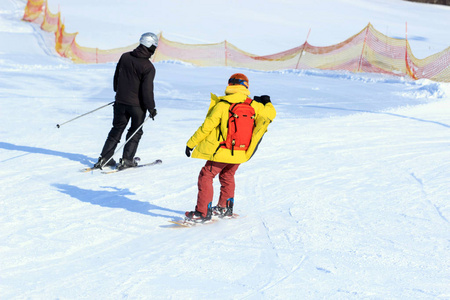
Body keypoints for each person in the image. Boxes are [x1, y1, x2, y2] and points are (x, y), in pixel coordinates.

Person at [185, 73, 276, 222]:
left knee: (206, 175)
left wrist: (191, 144)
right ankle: (224, 208)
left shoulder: (223, 105)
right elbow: (271, 114)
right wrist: (267, 102)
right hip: (241, 151)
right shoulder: (254, 105)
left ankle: (202, 213)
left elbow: (206, 127)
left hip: (223, 150)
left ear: (230, 85)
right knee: (227, 175)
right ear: (246, 87)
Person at [93, 32, 158, 170]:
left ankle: (105, 157)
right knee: (135, 132)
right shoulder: (148, 67)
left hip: (120, 102)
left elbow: (117, 77)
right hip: (137, 106)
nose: (154, 50)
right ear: (149, 46)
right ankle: (127, 160)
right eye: (154, 47)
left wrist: (119, 94)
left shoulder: (125, 57)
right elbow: (147, 91)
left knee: (117, 128)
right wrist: (151, 108)